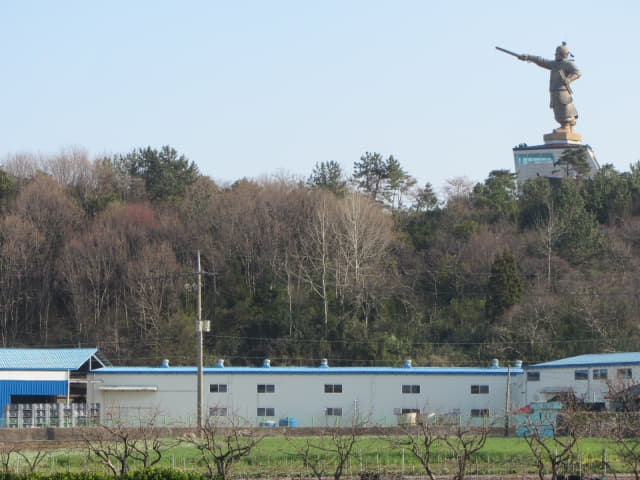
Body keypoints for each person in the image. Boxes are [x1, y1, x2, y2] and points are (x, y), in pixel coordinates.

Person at [518, 42, 581, 131]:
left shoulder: (568, 64)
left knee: (563, 107)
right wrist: (528, 57)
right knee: (557, 109)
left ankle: (566, 126)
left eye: (557, 53)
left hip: (562, 91)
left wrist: (569, 79)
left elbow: (577, 73)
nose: (555, 54)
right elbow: (541, 61)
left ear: (562, 54)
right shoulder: (554, 64)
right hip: (554, 91)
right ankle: (566, 126)